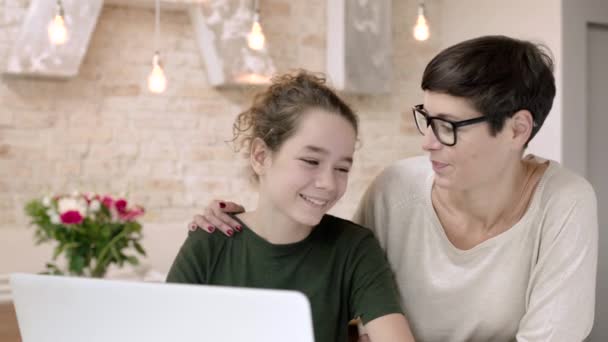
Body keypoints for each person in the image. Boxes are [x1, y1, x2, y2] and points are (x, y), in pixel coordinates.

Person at [189, 36, 599, 341]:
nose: (427, 142)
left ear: (517, 128)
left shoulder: (564, 203)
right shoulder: (394, 190)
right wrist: (234, 224)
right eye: (428, 118)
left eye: (449, 126)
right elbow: (334, 280)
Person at [166, 71, 415, 342]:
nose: (329, 184)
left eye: (342, 168)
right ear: (261, 157)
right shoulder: (211, 243)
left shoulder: (353, 249)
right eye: (311, 161)